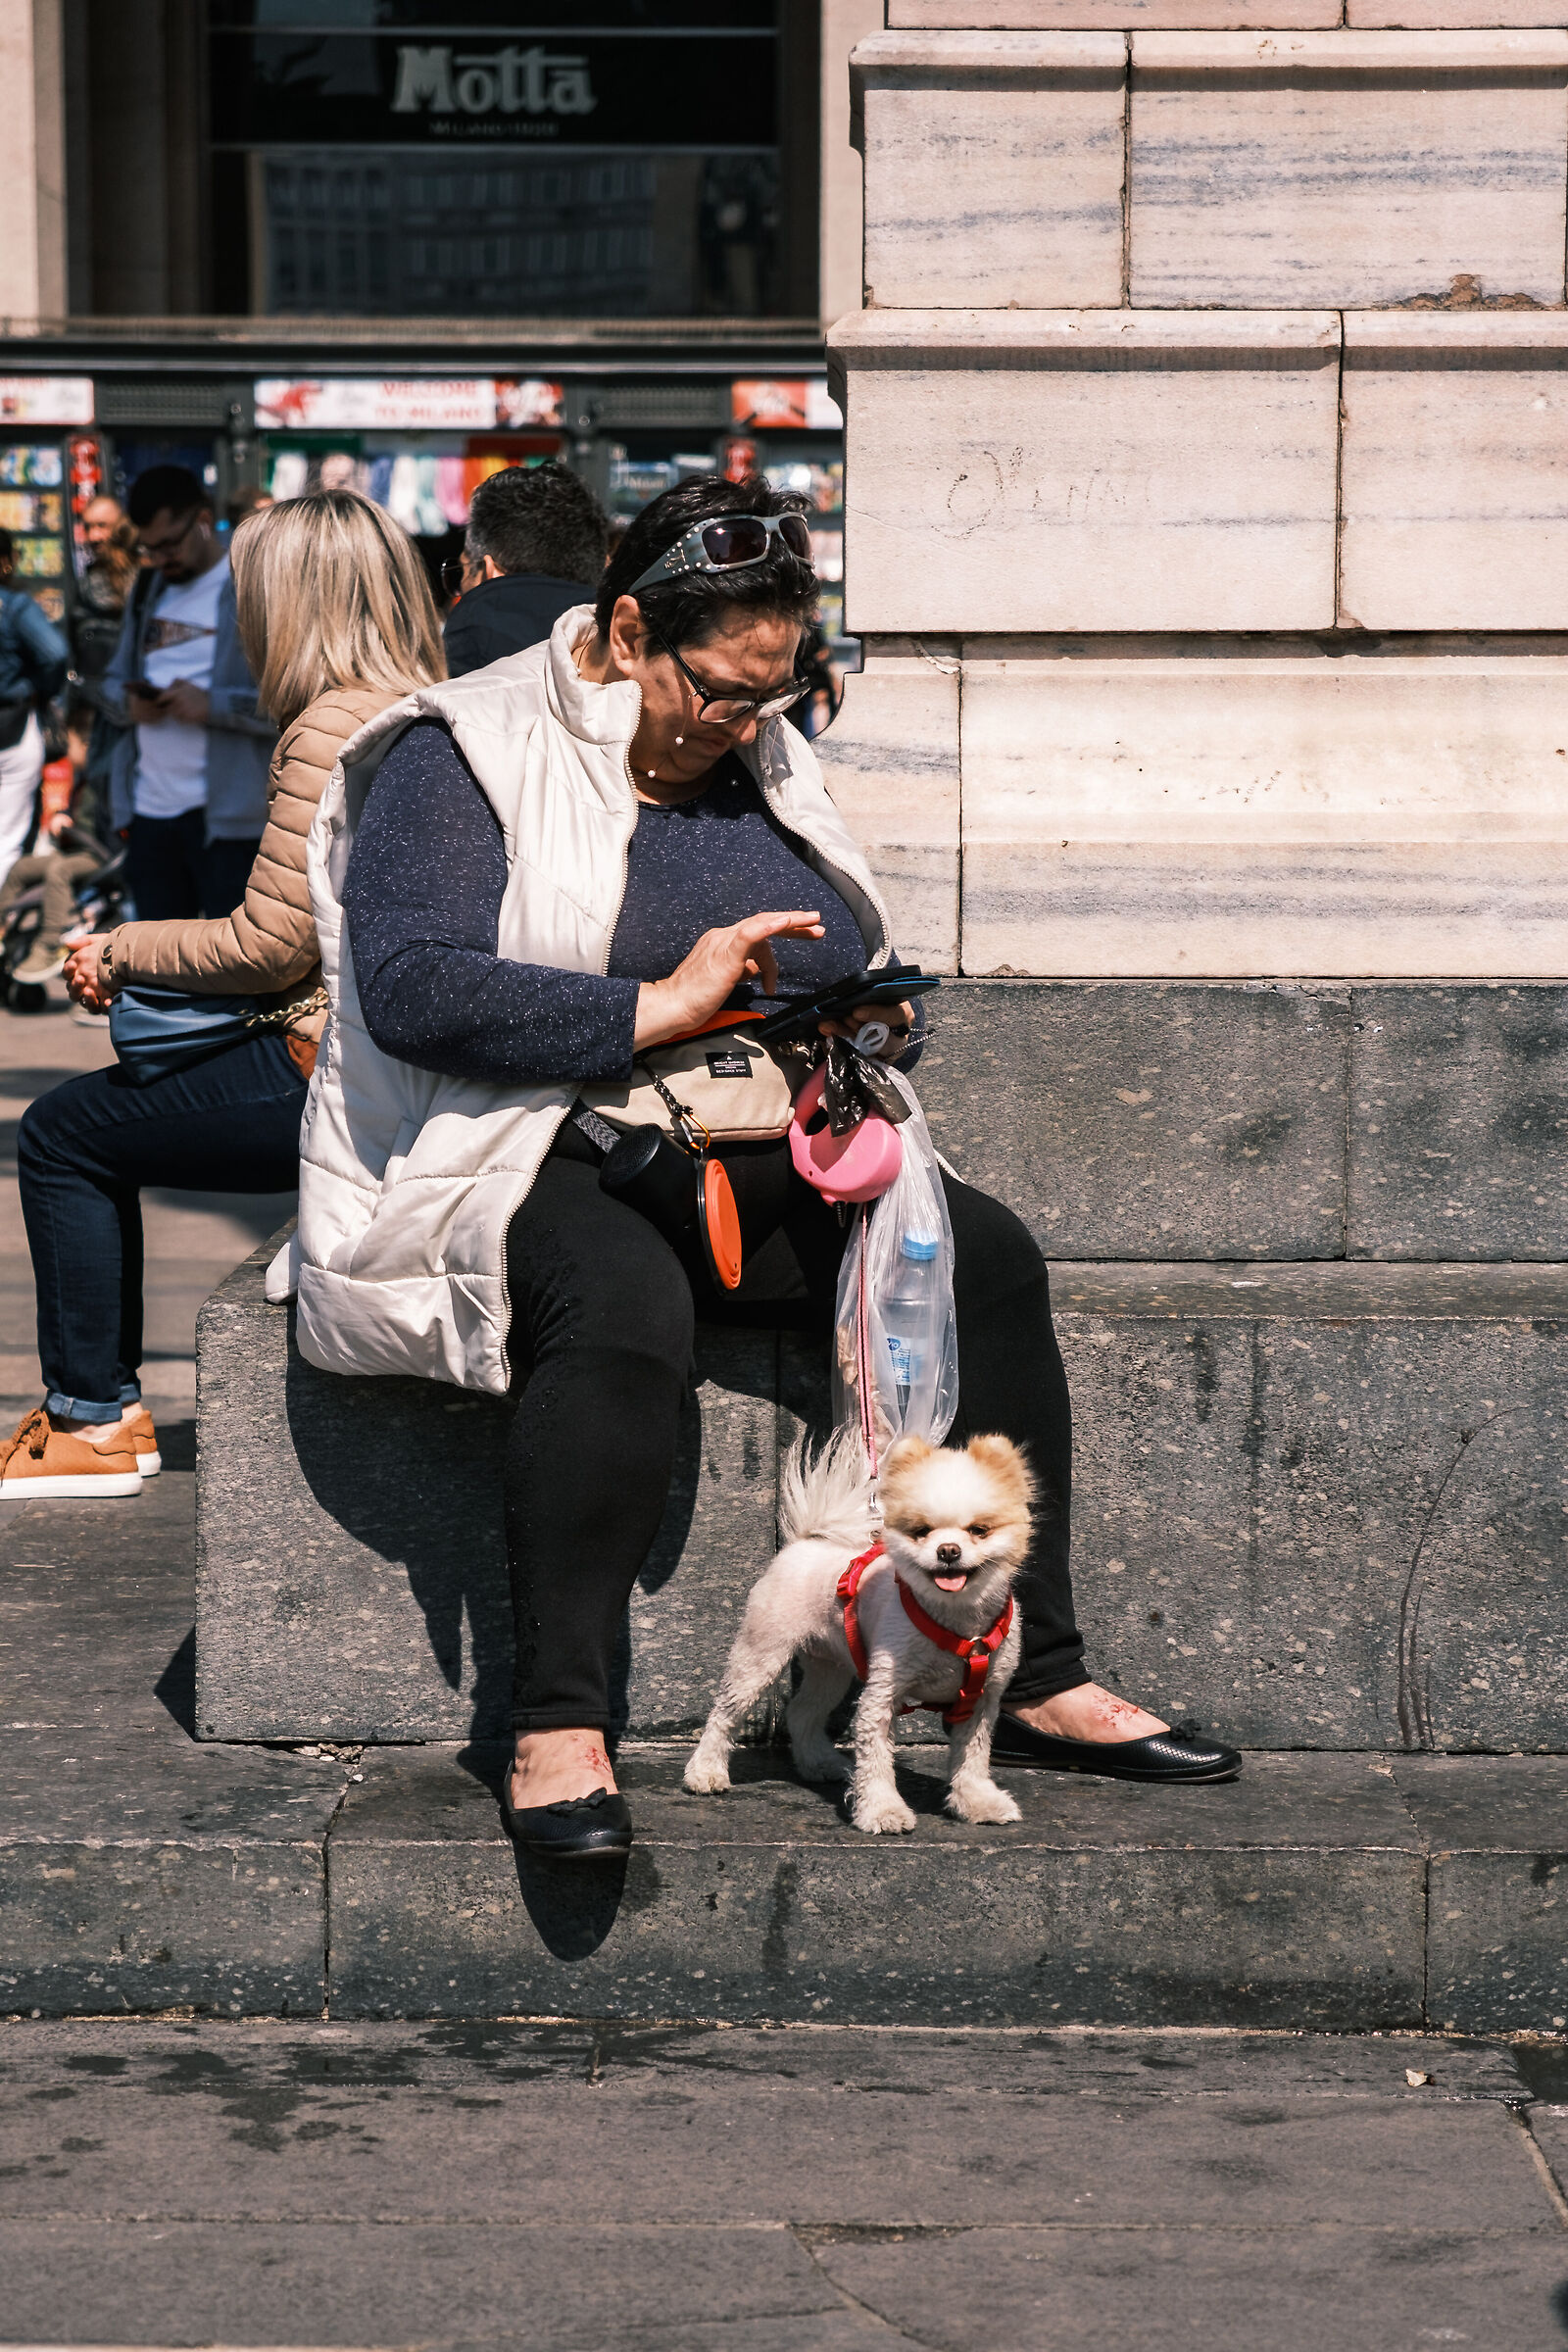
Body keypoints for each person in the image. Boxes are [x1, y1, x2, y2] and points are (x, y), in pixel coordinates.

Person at [285, 473, 1242, 1863]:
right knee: (619, 1313)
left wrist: (865, 1013)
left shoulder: (759, 749)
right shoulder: (460, 749)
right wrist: (653, 1006)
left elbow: (838, 936)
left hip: (758, 1133)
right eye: (723, 691)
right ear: (625, 632)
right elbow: (413, 988)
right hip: (529, 1137)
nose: (747, 722)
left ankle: (1032, 1672)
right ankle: (558, 1721)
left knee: (985, 1257)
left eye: (775, 691)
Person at [1, 489, 445, 1500]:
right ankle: (97, 1415)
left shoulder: (328, 727)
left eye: (250, 595)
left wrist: (119, 951)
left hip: (335, 1072)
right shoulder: (423, 699)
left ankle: (90, 1419)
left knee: (64, 1136)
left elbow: (268, 945)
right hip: (397, 1057)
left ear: (291, 602)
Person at [100, 465, 274, 925]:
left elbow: (287, 703)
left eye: (169, 544)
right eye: (149, 548)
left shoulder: (251, 586)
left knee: (231, 958)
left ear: (202, 520)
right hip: (149, 812)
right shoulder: (147, 588)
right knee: (156, 960)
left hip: (228, 821)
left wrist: (213, 705)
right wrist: (129, 704)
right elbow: (111, 681)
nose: (161, 558)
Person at [442, 461, 610, 677]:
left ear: (490, 571)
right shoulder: (623, 648)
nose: (458, 594)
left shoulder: (464, 652)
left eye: (459, 574)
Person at [0, 529, 70, 888]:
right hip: (12, 725)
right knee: (7, 838)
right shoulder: (13, 605)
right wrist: (39, 689)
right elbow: (54, 653)